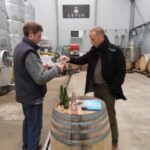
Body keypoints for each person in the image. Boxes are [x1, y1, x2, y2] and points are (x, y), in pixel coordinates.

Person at [59, 26, 127, 150]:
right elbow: (82, 60)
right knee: (99, 114)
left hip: (108, 89)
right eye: (90, 39)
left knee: (110, 115)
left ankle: (113, 142)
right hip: (96, 88)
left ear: (101, 36)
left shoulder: (114, 51)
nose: (91, 41)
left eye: (93, 39)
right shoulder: (94, 50)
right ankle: (103, 136)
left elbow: (121, 71)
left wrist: (114, 87)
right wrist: (69, 59)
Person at [13, 22, 65, 150]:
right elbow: (40, 79)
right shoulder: (29, 52)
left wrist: (40, 67)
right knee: (35, 126)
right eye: (39, 35)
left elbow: (26, 70)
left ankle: (27, 146)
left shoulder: (20, 47)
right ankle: (32, 147)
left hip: (24, 94)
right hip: (32, 97)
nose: (40, 38)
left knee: (28, 123)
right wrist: (57, 68)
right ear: (31, 34)